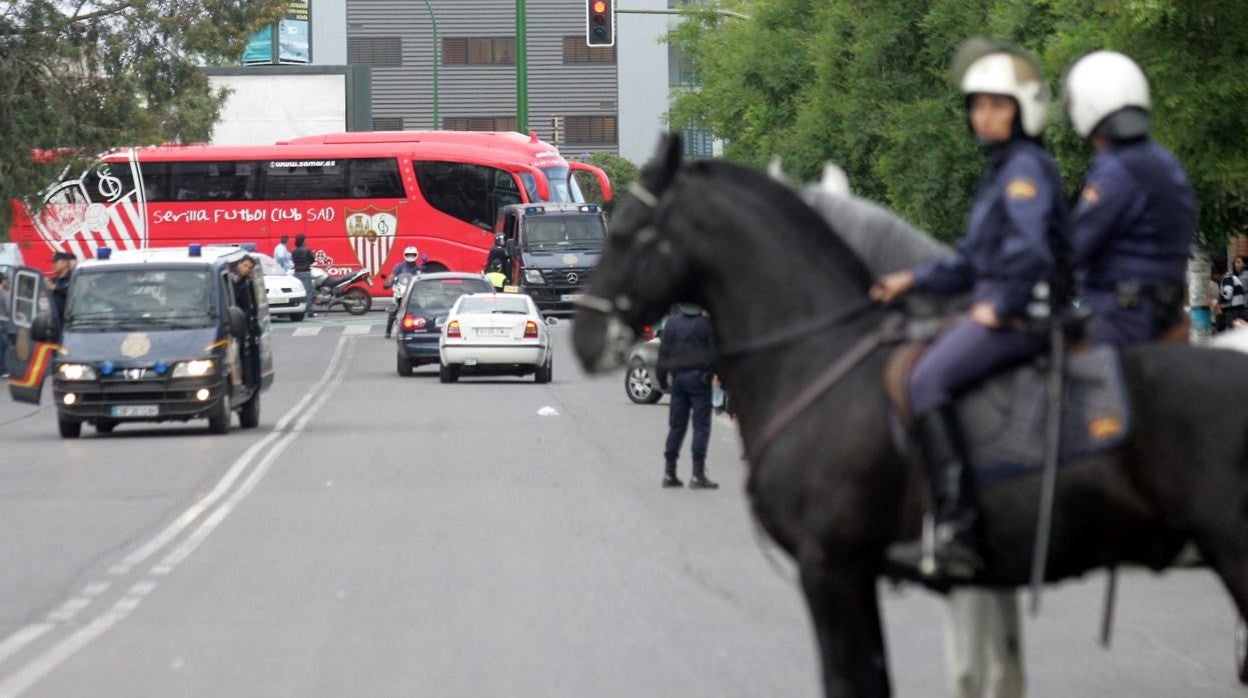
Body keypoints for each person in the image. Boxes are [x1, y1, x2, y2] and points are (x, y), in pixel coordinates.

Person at [871, 37, 1070, 579]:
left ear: (1023, 109)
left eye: (997, 104)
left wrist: (998, 306)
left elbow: (1031, 252)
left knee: (924, 381)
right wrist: (909, 278)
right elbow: (968, 261)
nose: (983, 115)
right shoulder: (999, 171)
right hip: (1000, 304)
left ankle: (959, 531)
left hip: (1025, 316)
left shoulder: (1025, 168)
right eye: (977, 104)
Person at [1062, 50, 1197, 345]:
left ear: (1085, 107)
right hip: (1168, 314)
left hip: (1122, 319)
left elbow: (1076, 247)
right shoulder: (1166, 162)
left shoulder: (1116, 170)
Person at [655, 303, 719, 490]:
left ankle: (669, 472)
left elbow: (663, 354)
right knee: (700, 427)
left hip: (678, 380)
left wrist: (662, 380)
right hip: (700, 380)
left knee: (676, 426)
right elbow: (715, 353)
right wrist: (714, 375)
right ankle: (697, 475)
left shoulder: (672, 323)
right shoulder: (706, 325)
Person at [384, 246, 423, 339]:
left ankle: (421, 328)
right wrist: (389, 282)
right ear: (405, 255)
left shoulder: (418, 268)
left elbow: (422, 278)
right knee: (393, 309)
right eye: (408, 254)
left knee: (421, 309)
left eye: (412, 254)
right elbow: (392, 276)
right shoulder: (399, 266)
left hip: (413, 293)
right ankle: (388, 331)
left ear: (416, 255)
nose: (410, 256)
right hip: (400, 291)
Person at [46, 251, 76, 332]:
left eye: (55, 261)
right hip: (55, 324)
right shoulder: (54, 280)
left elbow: (72, 292)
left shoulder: (74, 279)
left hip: (70, 325)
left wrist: (56, 288)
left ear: (65, 263)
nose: (52, 265)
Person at [290, 234, 315, 318]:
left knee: (298, 292)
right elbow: (312, 260)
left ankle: (299, 310)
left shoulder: (293, 250)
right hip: (306, 272)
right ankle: (310, 311)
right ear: (303, 241)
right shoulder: (307, 249)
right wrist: (307, 263)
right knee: (308, 292)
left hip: (297, 272)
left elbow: (293, 260)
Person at [0, 273, 11, 378]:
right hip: (3, 322)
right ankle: (3, 371)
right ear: (2, 281)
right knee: (3, 348)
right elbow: (9, 309)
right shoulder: (4, 294)